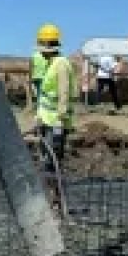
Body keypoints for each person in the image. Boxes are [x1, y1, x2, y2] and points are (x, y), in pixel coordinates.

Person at [35, 34, 76, 214]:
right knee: (46, 162)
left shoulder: (61, 64)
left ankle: (58, 203)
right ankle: (52, 200)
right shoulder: (49, 64)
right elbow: (44, 96)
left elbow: (64, 93)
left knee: (53, 163)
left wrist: (60, 120)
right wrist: (38, 117)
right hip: (46, 120)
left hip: (56, 123)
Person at [30, 23, 61, 100]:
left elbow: (31, 67)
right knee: (46, 94)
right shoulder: (55, 55)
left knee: (40, 94)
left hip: (36, 77)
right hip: (46, 77)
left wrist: (30, 78)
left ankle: (41, 105)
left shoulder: (34, 55)